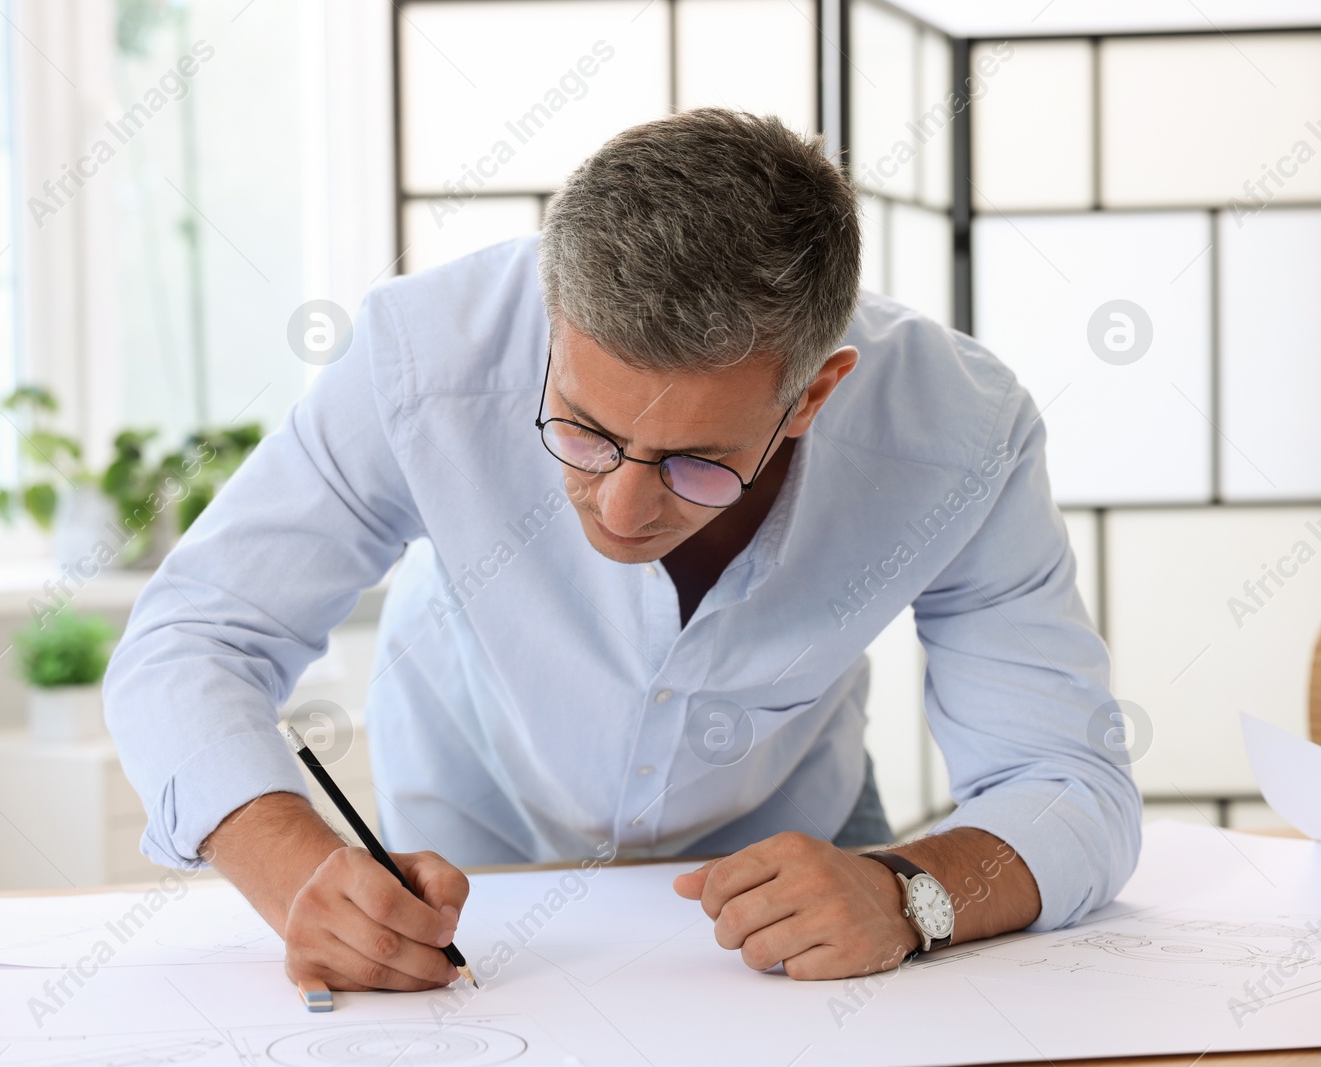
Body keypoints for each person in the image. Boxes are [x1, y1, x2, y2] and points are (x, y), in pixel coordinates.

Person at [104, 108, 1141, 992]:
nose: (624, 505)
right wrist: (293, 872)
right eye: (584, 430)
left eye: (696, 458)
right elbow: (195, 635)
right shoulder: (425, 356)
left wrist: (907, 893)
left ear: (814, 392)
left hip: (798, 854)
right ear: (552, 321)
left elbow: (1068, 779)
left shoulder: (958, 434)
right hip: (474, 843)